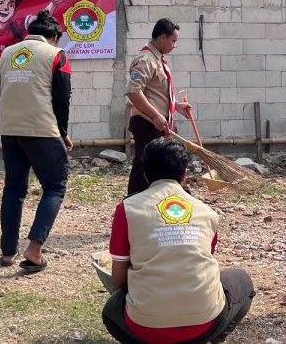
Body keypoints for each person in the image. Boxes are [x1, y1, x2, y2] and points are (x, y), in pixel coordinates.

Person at [102, 138, 255, 343]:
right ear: (184, 175)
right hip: (204, 324)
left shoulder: (128, 209)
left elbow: (119, 278)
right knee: (242, 280)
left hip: (145, 327)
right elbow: (198, 263)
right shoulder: (206, 211)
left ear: (145, 173)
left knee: (111, 311)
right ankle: (210, 339)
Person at [0, 10, 72, 272]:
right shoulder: (56, 55)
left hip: (10, 129)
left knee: (14, 189)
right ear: (54, 37)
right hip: (42, 130)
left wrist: (9, 118)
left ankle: (7, 252)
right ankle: (35, 249)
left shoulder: (6, 53)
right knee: (55, 186)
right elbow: (62, 99)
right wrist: (63, 131)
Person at [125, 18, 192, 196]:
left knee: (165, 163)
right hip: (148, 123)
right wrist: (155, 115)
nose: (174, 45)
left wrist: (176, 105)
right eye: (173, 40)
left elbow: (154, 93)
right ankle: (132, 202)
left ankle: (166, 198)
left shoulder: (158, 60)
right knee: (145, 163)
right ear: (162, 38)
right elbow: (133, 92)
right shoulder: (146, 60)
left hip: (160, 123)